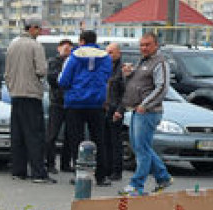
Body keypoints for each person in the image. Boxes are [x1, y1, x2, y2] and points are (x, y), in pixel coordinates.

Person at [121, 32, 173, 195]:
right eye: (142, 45)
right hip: (137, 110)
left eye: (147, 45)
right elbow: (140, 84)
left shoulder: (160, 62)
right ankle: (163, 177)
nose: (143, 48)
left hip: (148, 112)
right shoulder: (143, 61)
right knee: (141, 147)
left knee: (142, 150)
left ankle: (137, 185)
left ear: (156, 45)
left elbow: (162, 87)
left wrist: (145, 104)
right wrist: (129, 74)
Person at [59, 31, 113, 185]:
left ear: (81, 41)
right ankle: (101, 176)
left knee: (76, 140)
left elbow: (64, 80)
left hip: (75, 103)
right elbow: (106, 76)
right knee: (99, 139)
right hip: (96, 103)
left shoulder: (74, 56)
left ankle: (80, 174)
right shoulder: (105, 57)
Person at [4, 17, 50, 182]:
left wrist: (12, 87)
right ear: (33, 28)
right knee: (34, 135)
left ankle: (18, 170)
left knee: (18, 134)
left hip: (15, 93)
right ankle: (38, 172)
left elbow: (7, 71)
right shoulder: (35, 46)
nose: (39, 33)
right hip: (31, 94)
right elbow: (42, 70)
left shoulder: (12, 44)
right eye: (39, 29)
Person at [46, 38, 73, 173]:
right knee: (52, 134)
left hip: (70, 103)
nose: (67, 50)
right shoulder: (53, 62)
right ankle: (50, 163)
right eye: (64, 48)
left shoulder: (74, 62)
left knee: (70, 135)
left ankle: (66, 163)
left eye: (69, 48)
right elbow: (52, 78)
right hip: (57, 102)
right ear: (59, 48)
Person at [104, 41, 128, 179]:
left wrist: (120, 110)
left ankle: (116, 170)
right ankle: (106, 168)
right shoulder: (106, 67)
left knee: (115, 141)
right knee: (105, 140)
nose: (108, 55)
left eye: (111, 52)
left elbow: (126, 93)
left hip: (115, 109)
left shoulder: (122, 70)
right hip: (104, 109)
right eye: (107, 52)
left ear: (119, 53)